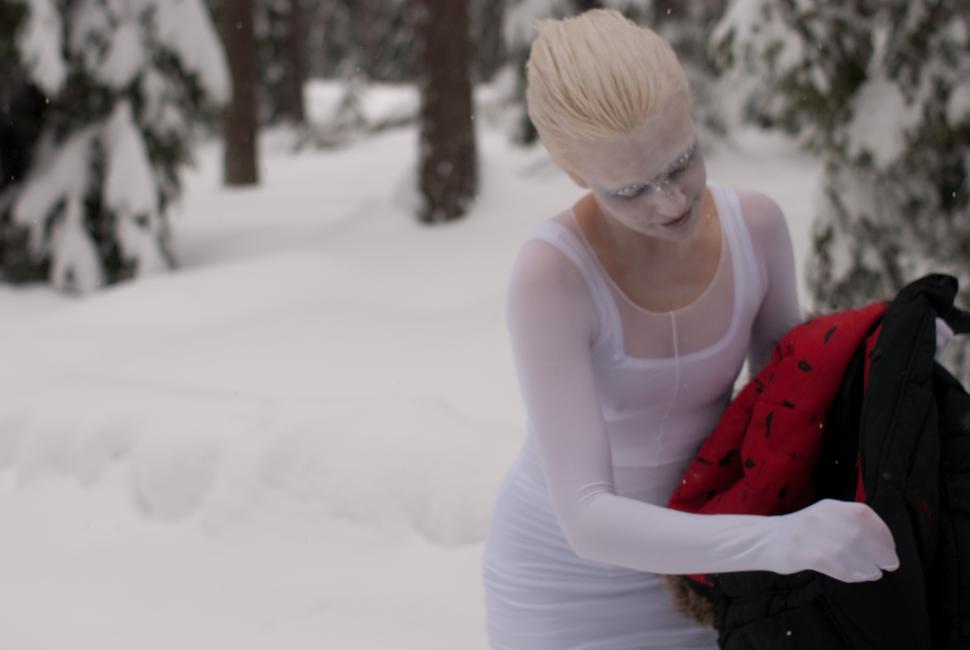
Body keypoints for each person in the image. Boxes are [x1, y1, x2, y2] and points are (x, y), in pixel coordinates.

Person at [481, 9, 899, 650]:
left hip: (712, 578)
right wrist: (776, 541)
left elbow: (793, 407)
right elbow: (587, 517)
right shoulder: (553, 276)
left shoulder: (755, 228)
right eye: (629, 190)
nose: (671, 203)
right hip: (564, 588)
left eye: (681, 162)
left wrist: (890, 365)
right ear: (576, 176)